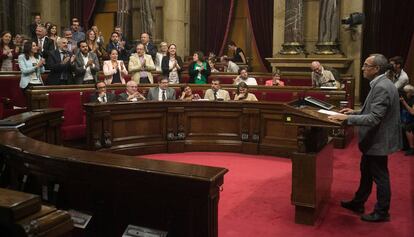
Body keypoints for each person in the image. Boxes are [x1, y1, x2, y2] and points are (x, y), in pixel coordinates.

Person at [328, 54, 402, 222]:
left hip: (378, 141)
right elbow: (371, 112)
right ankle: (358, 202)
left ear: (376, 69)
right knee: (366, 173)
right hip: (375, 140)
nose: (363, 68)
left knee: (380, 176)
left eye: (366, 65)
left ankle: (382, 212)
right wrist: (353, 112)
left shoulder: (382, 87)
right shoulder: (381, 83)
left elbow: (374, 118)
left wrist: (347, 119)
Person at [399, 84, 414, 155]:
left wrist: (403, 102)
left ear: (411, 92)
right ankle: (405, 145)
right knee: (401, 126)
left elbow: (412, 112)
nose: (405, 94)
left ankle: (412, 148)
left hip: (412, 120)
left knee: (408, 127)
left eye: (407, 92)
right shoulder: (408, 99)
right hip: (408, 119)